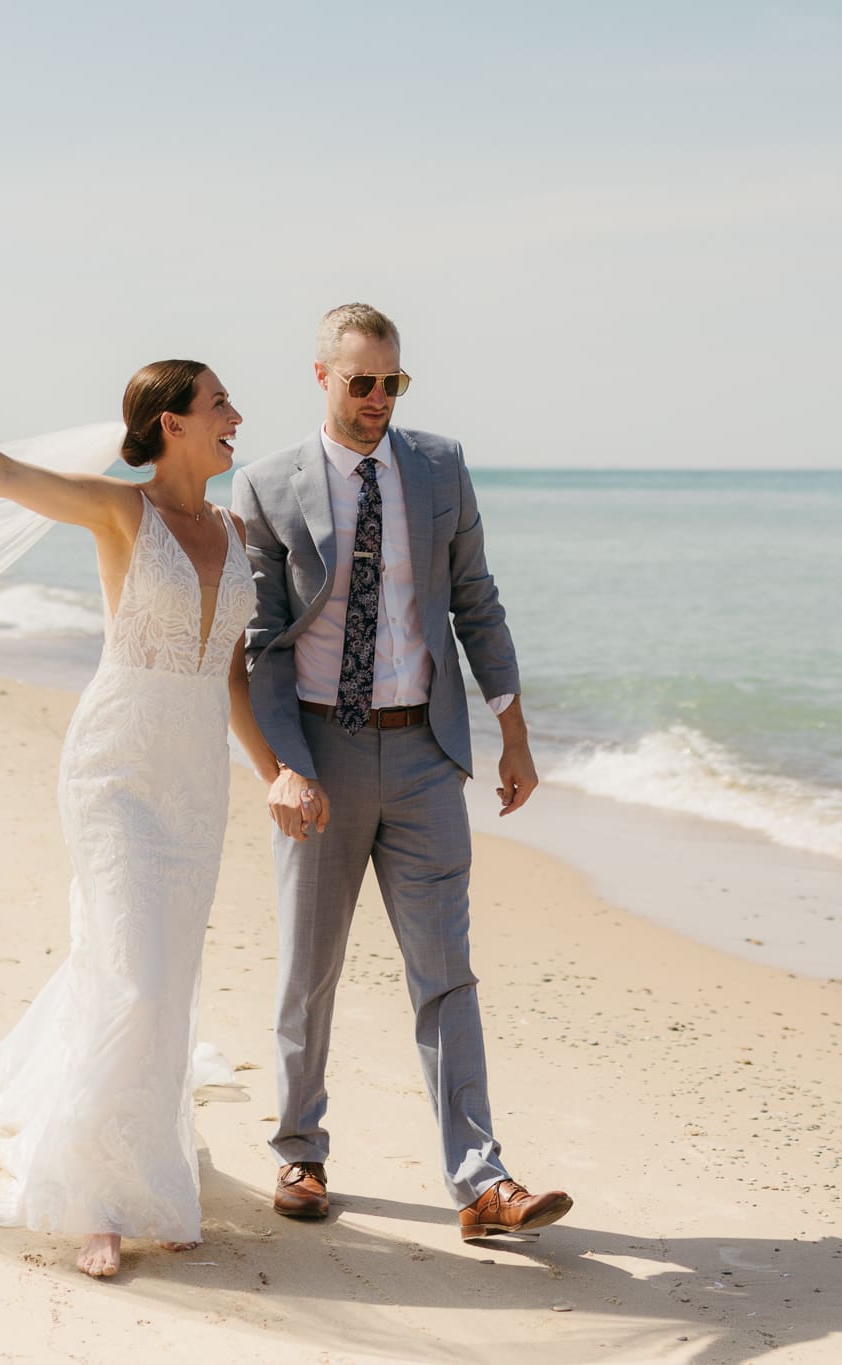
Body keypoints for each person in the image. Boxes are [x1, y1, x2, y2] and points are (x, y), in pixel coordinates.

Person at [0, 362, 277, 1279]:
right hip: (115, 768)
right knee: (137, 979)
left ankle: (144, 1166)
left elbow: (231, 672)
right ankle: (91, 1196)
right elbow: (1, 474)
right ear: (172, 423)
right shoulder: (120, 512)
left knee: (154, 976)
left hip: (195, 780)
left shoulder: (234, 533)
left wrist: (277, 771)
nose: (236, 415)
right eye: (219, 402)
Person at [231, 304, 573, 1240]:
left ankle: (482, 1183)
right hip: (319, 751)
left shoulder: (439, 466)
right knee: (310, 966)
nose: (379, 399)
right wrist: (280, 768)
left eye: (394, 382)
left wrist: (512, 726)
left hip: (427, 750)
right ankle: (300, 1149)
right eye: (361, 382)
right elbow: (259, 648)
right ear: (321, 377)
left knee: (446, 972)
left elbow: (475, 600)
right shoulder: (264, 487)